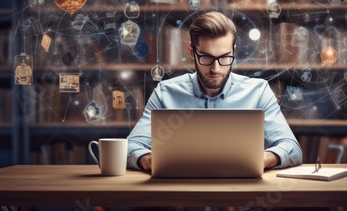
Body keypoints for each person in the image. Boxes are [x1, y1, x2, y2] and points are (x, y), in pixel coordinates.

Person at [126, 11, 302, 171]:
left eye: (225, 57)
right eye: (206, 57)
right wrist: (147, 159)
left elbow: (292, 148)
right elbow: (130, 146)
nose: (215, 68)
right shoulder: (165, 93)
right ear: (192, 52)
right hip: (179, 193)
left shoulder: (258, 92)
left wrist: (263, 158)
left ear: (233, 52)